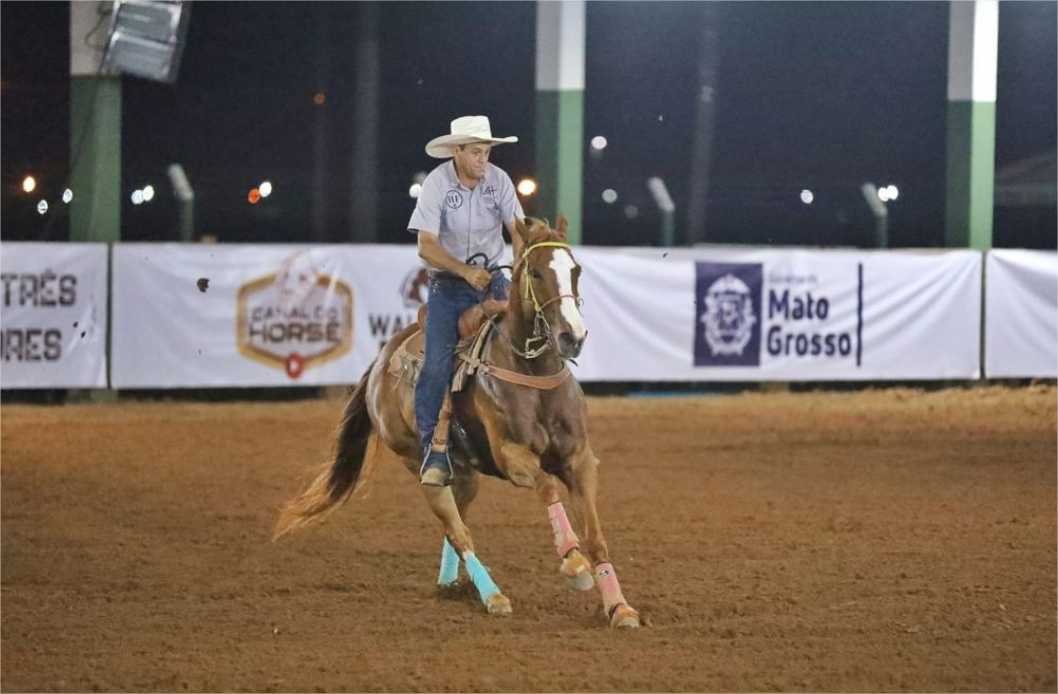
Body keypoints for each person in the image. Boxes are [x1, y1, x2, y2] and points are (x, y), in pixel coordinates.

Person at [408, 115, 525, 487]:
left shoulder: (500, 181)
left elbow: (518, 231)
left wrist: (518, 268)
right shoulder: (437, 184)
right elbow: (426, 244)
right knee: (437, 366)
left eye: (487, 151)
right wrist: (462, 270)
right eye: (475, 152)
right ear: (456, 151)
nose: (483, 159)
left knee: (530, 345)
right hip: (448, 286)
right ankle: (433, 450)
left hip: (494, 279)